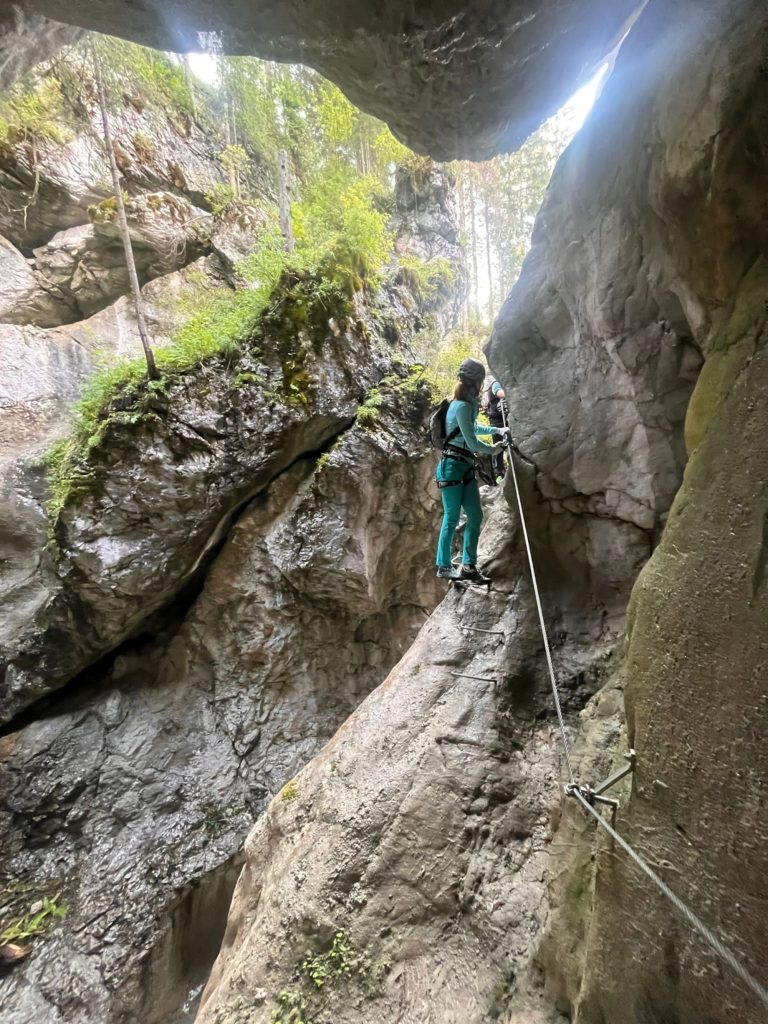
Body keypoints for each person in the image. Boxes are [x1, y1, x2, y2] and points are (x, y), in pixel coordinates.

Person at [435, 358, 509, 582]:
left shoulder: (463, 405)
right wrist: (495, 448)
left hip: (464, 467)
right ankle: (444, 566)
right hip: (451, 467)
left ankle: (469, 566)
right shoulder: (462, 406)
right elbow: (472, 441)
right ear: (476, 383)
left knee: (475, 515)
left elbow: (473, 427)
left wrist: (497, 430)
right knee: (451, 517)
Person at [483, 378, 507, 481]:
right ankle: (499, 473)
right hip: (500, 421)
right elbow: (499, 393)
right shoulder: (495, 383)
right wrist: (509, 393)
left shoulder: (487, 388)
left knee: (498, 447)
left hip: (494, 420)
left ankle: (499, 473)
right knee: (501, 446)